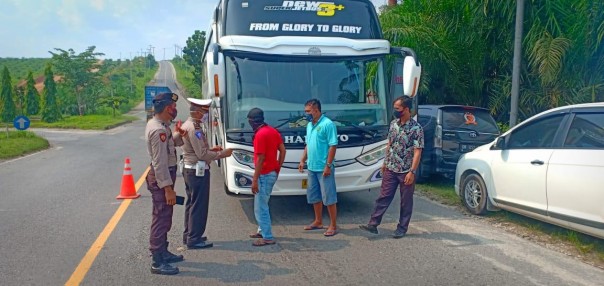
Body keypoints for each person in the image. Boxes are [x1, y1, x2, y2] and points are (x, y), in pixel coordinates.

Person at [359, 96, 424, 238]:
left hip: (406, 170)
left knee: (405, 201)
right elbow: (390, 144)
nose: (395, 111)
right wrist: (384, 162)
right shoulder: (393, 124)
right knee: (383, 196)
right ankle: (373, 224)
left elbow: (418, 151)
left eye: (397, 109)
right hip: (390, 167)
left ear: (406, 109)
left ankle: (402, 228)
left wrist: (412, 172)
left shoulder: (416, 128)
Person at [174, 97, 233, 249]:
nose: (206, 115)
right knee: (199, 205)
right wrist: (221, 154)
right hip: (196, 170)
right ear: (198, 113)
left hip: (190, 169)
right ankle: (194, 238)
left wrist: (211, 150)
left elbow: (198, 149)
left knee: (192, 203)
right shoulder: (194, 128)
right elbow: (201, 154)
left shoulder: (189, 125)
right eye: (205, 112)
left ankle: (190, 235)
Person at [145, 92, 182, 275]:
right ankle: (157, 261)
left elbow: (168, 146)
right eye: (173, 107)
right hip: (162, 179)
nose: (175, 110)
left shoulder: (162, 126)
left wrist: (177, 135)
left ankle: (163, 252)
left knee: (165, 216)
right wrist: (168, 189)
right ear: (168, 108)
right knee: (160, 218)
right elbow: (160, 163)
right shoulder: (158, 130)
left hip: (165, 176)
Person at [298, 99, 339, 237]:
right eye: (305, 111)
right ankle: (318, 221)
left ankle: (333, 225)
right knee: (314, 196)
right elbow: (308, 144)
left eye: (308, 111)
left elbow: (333, 145)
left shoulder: (328, 124)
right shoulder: (309, 125)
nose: (306, 114)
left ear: (316, 110)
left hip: (324, 168)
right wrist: (303, 160)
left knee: (329, 196)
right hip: (312, 167)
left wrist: (328, 165)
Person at [247, 108, 286, 246]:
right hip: (272, 173)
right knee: (264, 202)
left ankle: (267, 237)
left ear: (252, 121)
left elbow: (260, 159)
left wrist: (255, 180)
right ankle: (262, 230)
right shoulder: (272, 131)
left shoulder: (260, 135)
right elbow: (282, 150)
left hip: (263, 175)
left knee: (260, 207)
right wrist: (278, 167)